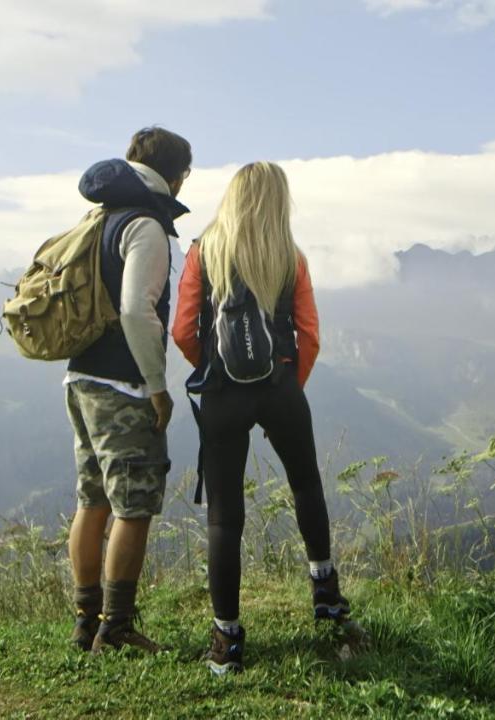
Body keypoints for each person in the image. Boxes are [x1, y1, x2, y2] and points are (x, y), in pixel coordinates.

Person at [172, 161, 351, 675]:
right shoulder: (289, 257)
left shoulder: (204, 253)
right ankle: (326, 592)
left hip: (222, 396)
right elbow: (310, 332)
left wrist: (214, 372)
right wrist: (289, 383)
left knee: (224, 518)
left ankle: (226, 639)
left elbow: (184, 330)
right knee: (305, 486)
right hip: (281, 389)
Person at [65, 127, 191, 654]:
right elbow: (138, 310)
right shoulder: (146, 226)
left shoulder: (99, 217)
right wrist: (158, 387)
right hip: (123, 385)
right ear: (176, 173)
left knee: (92, 498)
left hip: (79, 378)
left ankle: (86, 619)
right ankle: (115, 628)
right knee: (133, 507)